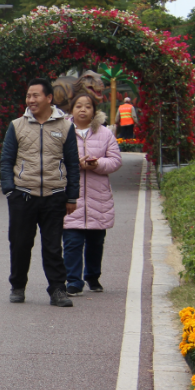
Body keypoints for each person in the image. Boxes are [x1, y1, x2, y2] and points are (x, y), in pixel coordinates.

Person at [0, 78, 80, 307]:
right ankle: (17, 286)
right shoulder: (17, 125)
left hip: (55, 196)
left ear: (49, 98)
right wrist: (9, 190)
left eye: (35, 95)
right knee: (20, 243)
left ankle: (57, 290)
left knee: (54, 246)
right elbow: (7, 160)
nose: (31, 100)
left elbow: (73, 164)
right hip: (22, 195)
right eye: (28, 96)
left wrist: (72, 196)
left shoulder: (65, 126)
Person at [62, 93, 122, 297]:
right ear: (71, 109)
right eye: (78, 106)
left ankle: (93, 277)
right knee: (72, 241)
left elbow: (115, 161)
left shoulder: (105, 134)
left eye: (88, 106)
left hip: (99, 199)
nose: (83, 110)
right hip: (71, 197)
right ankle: (73, 281)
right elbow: (53, 159)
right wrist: (75, 164)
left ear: (94, 111)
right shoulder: (62, 131)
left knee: (96, 242)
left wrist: (97, 164)